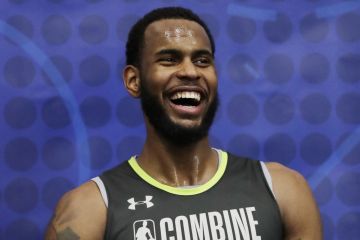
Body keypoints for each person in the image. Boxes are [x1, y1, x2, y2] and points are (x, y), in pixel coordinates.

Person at [45, 6, 322, 240]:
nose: (190, 72)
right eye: (169, 59)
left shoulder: (283, 190)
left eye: (202, 60)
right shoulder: (88, 210)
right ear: (134, 80)